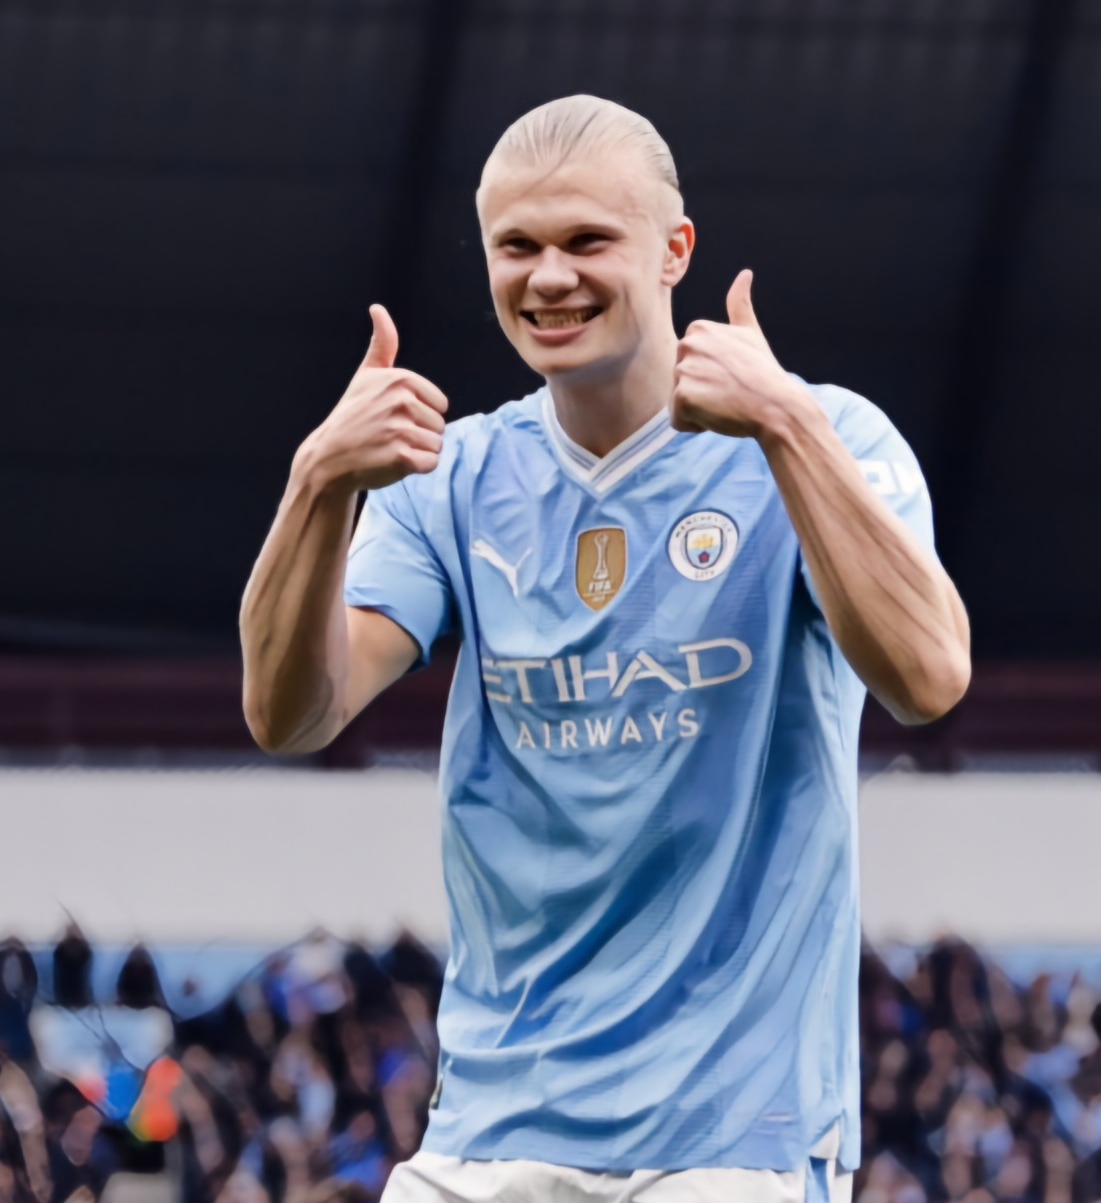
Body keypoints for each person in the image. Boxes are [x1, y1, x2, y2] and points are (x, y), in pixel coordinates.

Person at [239, 94, 972, 1202]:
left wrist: (787, 430)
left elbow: (928, 679)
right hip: (495, 1126)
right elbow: (291, 714)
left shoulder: (826, 436)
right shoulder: (453, 479)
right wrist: (316, 486)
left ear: (674, 250)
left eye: (587, 241)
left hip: (736, 1138)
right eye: (517, 246)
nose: (548, 277)